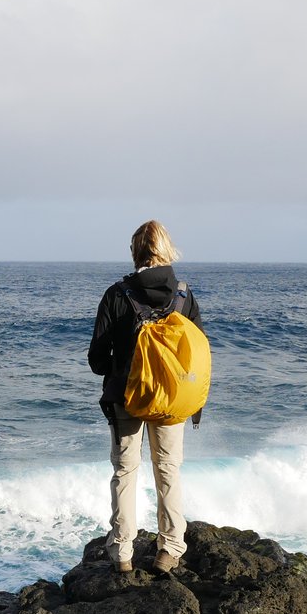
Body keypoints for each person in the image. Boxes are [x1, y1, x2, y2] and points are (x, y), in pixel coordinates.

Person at [88, 220, 203, 575]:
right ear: (167, 250)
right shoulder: (183, 295)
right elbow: (198, 353)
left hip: (127, 398)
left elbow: (96, 360)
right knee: (168, 470)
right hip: (171, 400)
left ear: (135, 251)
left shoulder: (116, 295)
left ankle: (122, 552)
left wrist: (120, 367)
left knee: (125, 470)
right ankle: (169, 550)